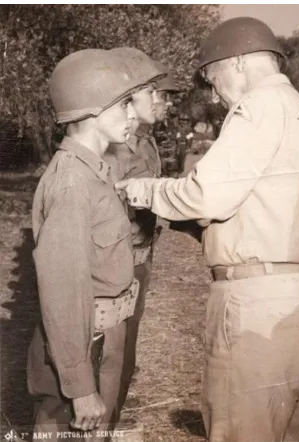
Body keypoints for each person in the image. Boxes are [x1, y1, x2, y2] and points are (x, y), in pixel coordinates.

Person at [115, 17, 299, 442]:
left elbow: (205, 195)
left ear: (237, 62)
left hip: (260, 314)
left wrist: (144, 190)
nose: (214, 95)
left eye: (211, 78)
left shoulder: (258, 106)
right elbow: (267, 210)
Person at [27, 48, 162, 441]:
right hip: (83, 344)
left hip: (103, 336)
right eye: (124, 104)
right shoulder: (73, 183)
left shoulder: (95, 172)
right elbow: (63, 292)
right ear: (89, 110)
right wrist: (80, 385)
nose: (134, 114)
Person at [104, 50, 180, 417]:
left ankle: (114, 408)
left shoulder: (145, 141)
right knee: (111, 348)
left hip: (141, 255)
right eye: (156, 93)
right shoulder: (115, 147)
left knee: (128, 342)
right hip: (120, 260)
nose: (162, 101)